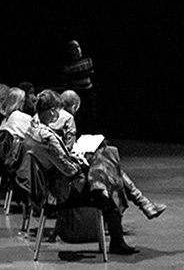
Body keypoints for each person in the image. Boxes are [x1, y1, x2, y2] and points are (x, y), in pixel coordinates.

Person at [24, 90, 165, 255]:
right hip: (65, 190)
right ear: (53, 111)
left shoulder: (32, 129)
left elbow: (60, 161)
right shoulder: (48, 138)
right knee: (109, 176)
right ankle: (137, 211)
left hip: (54, 184)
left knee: (108, 162)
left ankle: (142, 205)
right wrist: (82, 159)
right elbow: (70, 170)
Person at [61, 40, 99, 133]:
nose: (77, 50)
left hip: (88, 90)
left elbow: (92, 74)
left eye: (78, 47)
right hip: (77, 92)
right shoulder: (68, 66)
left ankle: (93, 131)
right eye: (74, 48)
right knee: (78, 114)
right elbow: (65, 81)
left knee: (91, 112)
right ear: (70, 51)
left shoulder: (87, 60)